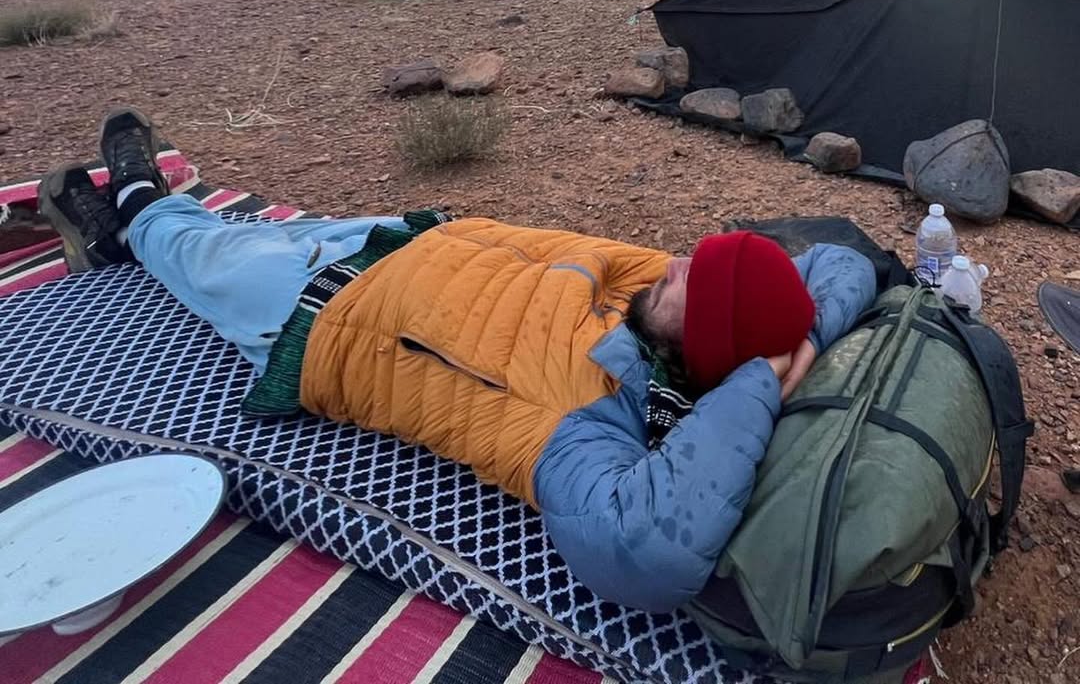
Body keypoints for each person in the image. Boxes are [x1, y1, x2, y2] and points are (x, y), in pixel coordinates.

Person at [39, 106, 878, 613]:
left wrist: (755, 383)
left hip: (323, 315)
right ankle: (134, 229)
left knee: (194, 251)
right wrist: (798, 344)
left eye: (699, 280)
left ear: (709, 351)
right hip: (404, 238)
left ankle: (136, 206)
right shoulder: (651, 290)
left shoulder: (589, 423)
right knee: (247, 231)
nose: (679, 261)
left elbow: (644, 551)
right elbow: (846, 261)